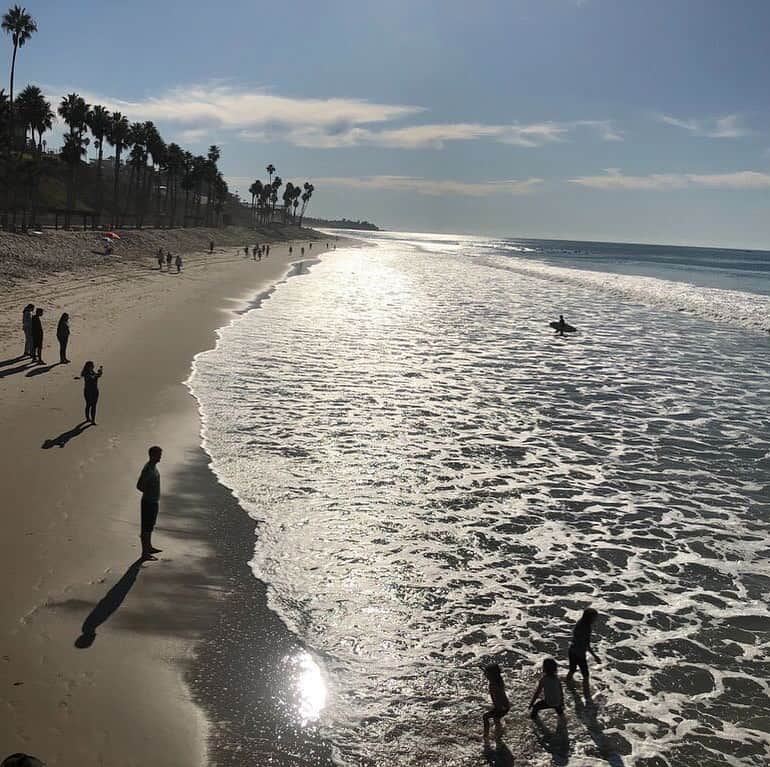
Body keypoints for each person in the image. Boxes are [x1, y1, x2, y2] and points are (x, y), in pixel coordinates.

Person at [566, 607, 599, 697]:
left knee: (572, 670)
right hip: (579, 654)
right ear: (590, 618)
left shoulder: (579, 623)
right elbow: (587, 645)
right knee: (585, 675)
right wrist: (595, 656)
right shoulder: (587, 628)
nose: (595, 620)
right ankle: (587, 696)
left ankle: (567, 683)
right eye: (594, 618)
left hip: (572, 650)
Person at [136, 446, 163, 559]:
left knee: (150, 526)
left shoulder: (153, 467)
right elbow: (139, 486)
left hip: (153, 501)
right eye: (159, 455)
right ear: (152, 455)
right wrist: (149, 491)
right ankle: (145, 553)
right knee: (146, 528)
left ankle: (149, 547)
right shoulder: (148, 469)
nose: (160, 457)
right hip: (148, 502)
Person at [482, 663, 510, 736]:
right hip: (502, 706)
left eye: (487, 674)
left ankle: (486, 735)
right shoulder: (497, 681)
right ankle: (499, 733)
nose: (486, 676)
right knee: (496, 719)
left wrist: (501, 707)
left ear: (493, 675)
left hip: (501, 707)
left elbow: (500, 693)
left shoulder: (495, 684)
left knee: (485, 717)